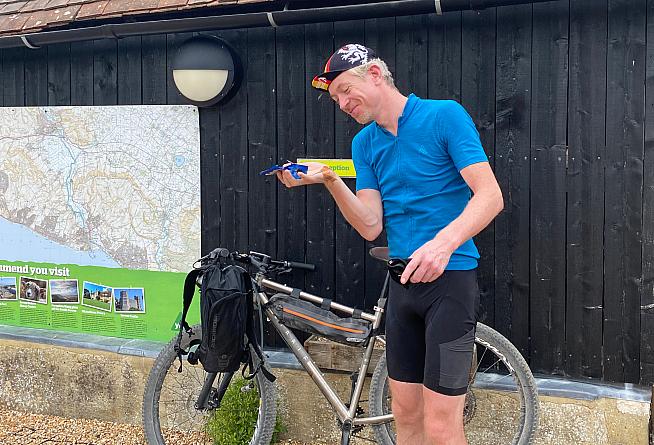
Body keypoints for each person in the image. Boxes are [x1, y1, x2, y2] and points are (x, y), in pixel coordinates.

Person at [276, 43, 504, 445]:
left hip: (449, 283)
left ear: (375, 75)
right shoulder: (365, 143)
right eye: (335, 99)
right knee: (406, 416)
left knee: (442, 426)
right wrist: (330, 179)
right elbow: (370, 225)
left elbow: (490, 196)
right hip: (402, 287)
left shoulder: (444, 116)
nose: (342, 103)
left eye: (346, 90)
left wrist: (443, 244)